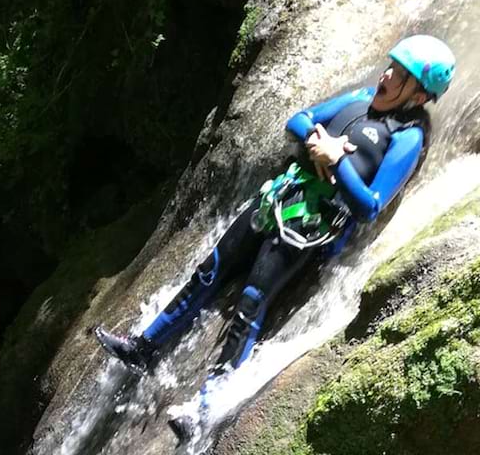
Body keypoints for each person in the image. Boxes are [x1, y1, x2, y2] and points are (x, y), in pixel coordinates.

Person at [94, 35, 456, 441]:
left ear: (419, 93)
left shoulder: (407, 136)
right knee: (211, 270)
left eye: (400, 74)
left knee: (251, 302)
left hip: (312, 226)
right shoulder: (361, 96)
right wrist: (316, 141)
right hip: (280, 195)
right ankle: (145, 347)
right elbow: (300, 118)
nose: (387, 75)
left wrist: (337, 161)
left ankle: (205, 407)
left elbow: (370, 205)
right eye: (391, 66)